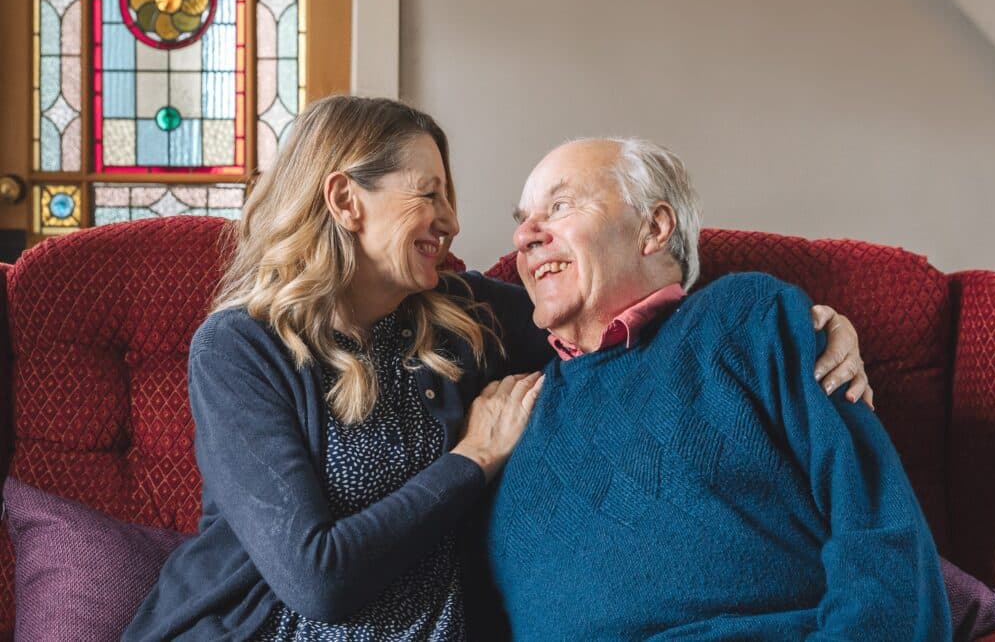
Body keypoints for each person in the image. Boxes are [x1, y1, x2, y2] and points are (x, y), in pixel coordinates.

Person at [124, 97, 869, 640]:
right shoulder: (240, 348)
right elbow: (319, 579)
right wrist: (473, 458)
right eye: (429, 193)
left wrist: (805, 327)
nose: (451, 219)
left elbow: (635, 322)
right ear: (346, 199)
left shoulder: (464, 315)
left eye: (450, 195)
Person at [483, 137, 949, 640]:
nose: (524, 235)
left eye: (560, 206)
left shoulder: (746, 320)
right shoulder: (511, 407)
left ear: (654, 228)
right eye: (523, 217)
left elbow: (882, 535)